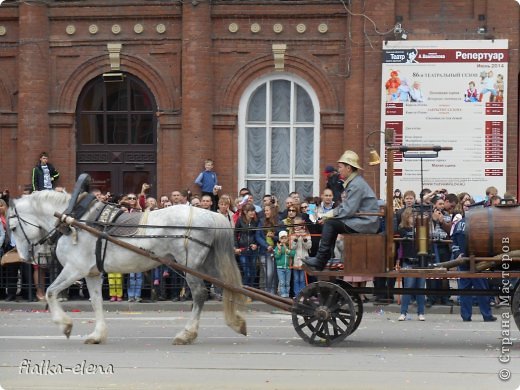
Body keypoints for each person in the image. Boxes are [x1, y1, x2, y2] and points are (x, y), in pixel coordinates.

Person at [303, 150, 380, 271]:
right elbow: (346, 208)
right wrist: (328, 215)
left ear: (348, 168)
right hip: (364, 220)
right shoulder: (355, 183)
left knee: (331, 224)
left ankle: (321, 259)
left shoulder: (356, 185)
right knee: (331, 223)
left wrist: (329, 216)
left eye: (340, 167)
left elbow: (347, 210)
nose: (338, 170)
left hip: (366, 222)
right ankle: (322, 259)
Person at [451, 217, 497, 322]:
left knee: (464, 290)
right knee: (482, 289)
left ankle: (466, 316)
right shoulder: (479, 222)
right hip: (477, 261)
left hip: (462, 260)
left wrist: (457, 254)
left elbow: (454, 242)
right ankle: (487, 315)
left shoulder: (459, 224)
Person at [397, 208, 426, 321]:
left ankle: (421, 312)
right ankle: (403, 312)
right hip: (408, 262)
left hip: (420, 262)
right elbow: (405, 236)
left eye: (415, 217)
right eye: (411, 216)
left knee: (421, 288)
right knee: (408, 288)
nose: (414, 219)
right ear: (406, 217)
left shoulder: (421, 229)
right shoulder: (403, 229)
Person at [290, 216, 312, 296]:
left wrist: (304, 238)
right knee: (296, 279)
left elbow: (309, 246)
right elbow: (292, 247)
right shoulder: (292, 235)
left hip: (304, 260)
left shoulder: (307, 234)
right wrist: (296, 238)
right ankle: (297, 295)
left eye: (299, 225)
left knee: (302, 279)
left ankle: (303, 295)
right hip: (295, 260)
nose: (297, 227)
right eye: (296, 225)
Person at [274, 231, 294, 298]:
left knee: (287, 282)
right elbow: (276, 257)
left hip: (288, 267)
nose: (283, 240)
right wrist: (279, 250)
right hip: (280, 268)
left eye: (285, 238)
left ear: (287, 239)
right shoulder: (277, 247)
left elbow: (292, 254)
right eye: (282, 238)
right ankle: (283, 295)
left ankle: (287, 294)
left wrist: (286, 249)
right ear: (279, 239)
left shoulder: (289, 246)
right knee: (282, 282)